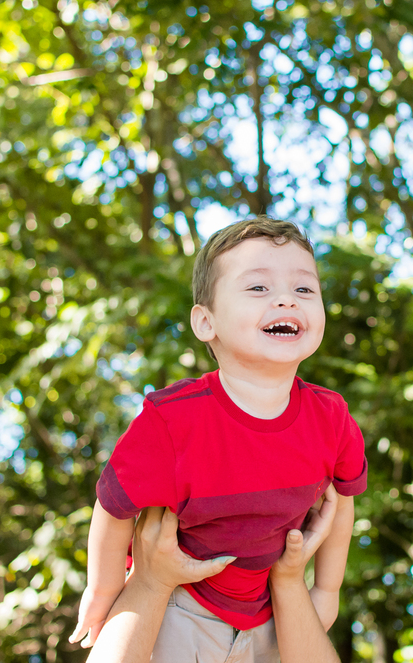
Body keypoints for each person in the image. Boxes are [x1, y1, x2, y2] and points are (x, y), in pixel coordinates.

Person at [70, 217, 367, 662]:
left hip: (268, 609)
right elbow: (113, 507)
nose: (287, 298)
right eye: (258, 288)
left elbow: (341, 504)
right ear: (206, 322)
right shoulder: (173, 419)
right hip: (181, 603)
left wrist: (326, 589)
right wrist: (103, 589)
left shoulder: (332, 418)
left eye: (304, 290)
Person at [89, 488, 342, 663]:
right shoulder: (172, 417)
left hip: (258, 610)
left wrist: (322, 588)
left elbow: (341, 486)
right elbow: (118, 491)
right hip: (179, 596)